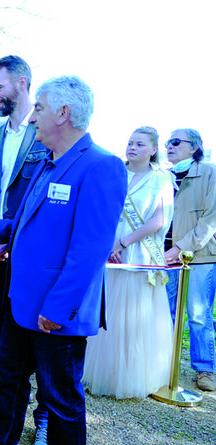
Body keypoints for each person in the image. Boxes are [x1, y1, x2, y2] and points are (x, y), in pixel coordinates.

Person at [0, 76, 127, 445]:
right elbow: (28, 223)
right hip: (21, 301)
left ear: (64, 113)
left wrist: (58, 308)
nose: (32, 117)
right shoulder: (48, 161)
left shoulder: (100, 166)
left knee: (60, 395)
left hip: (55, 312)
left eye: (40, 108)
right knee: (8, 379)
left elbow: (89, 249)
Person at [0, 55, 50, 445]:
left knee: (39, 342)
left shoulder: (48, 134)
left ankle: (46, 421)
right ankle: (2, 410)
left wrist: (7, 237)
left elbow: (44, 200)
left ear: (22, 83)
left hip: (29, 255)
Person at [83, 127, 175, 398]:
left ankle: (129, 377)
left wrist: (122, 244)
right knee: (107, 311)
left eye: (140, 144)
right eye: (130, 142)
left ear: (153, 149)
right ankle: (100, 372)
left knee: (133, 316)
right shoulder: (116, 172)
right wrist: (108, 244)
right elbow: (101, 209)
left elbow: (158, 221)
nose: (132, 147)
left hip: (139, 255)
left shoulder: (162, 179)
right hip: (108, 251)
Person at [163, 128, 216, 392]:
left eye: (175, 142)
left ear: (194, 147)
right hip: (164, 256)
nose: (168, 146)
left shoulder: (210, 172)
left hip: (200, 257)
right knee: (166, 312)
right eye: (166, 142)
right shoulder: (164, 175)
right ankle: (164, 364)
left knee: (197, 314)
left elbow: (211, 219)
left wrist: (181, 247)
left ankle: (204, 368)